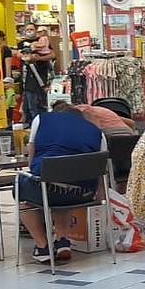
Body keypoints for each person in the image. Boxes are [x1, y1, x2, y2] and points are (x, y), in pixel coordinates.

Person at [18, 101, 104, 262]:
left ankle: (43, 247)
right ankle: (63, 241)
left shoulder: (42, 119)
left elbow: (31, 156)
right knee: (64, 190)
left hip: (48, 189)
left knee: (22, 193)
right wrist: (100, 198)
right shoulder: (97, 132)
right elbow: (101, 167)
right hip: (83, 194)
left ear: (56, 113)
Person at [20, 28, 55, 126]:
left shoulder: (42, 42)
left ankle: (39, 124)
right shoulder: (23, 43)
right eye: (27, 29)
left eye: (31, 29)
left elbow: (52, 55)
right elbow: (19, 54)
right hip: (27, 78)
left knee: (38, 104)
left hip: (40, 77)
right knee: (28, 104)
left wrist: (39, 58)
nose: (29, 31)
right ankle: (31, 123)